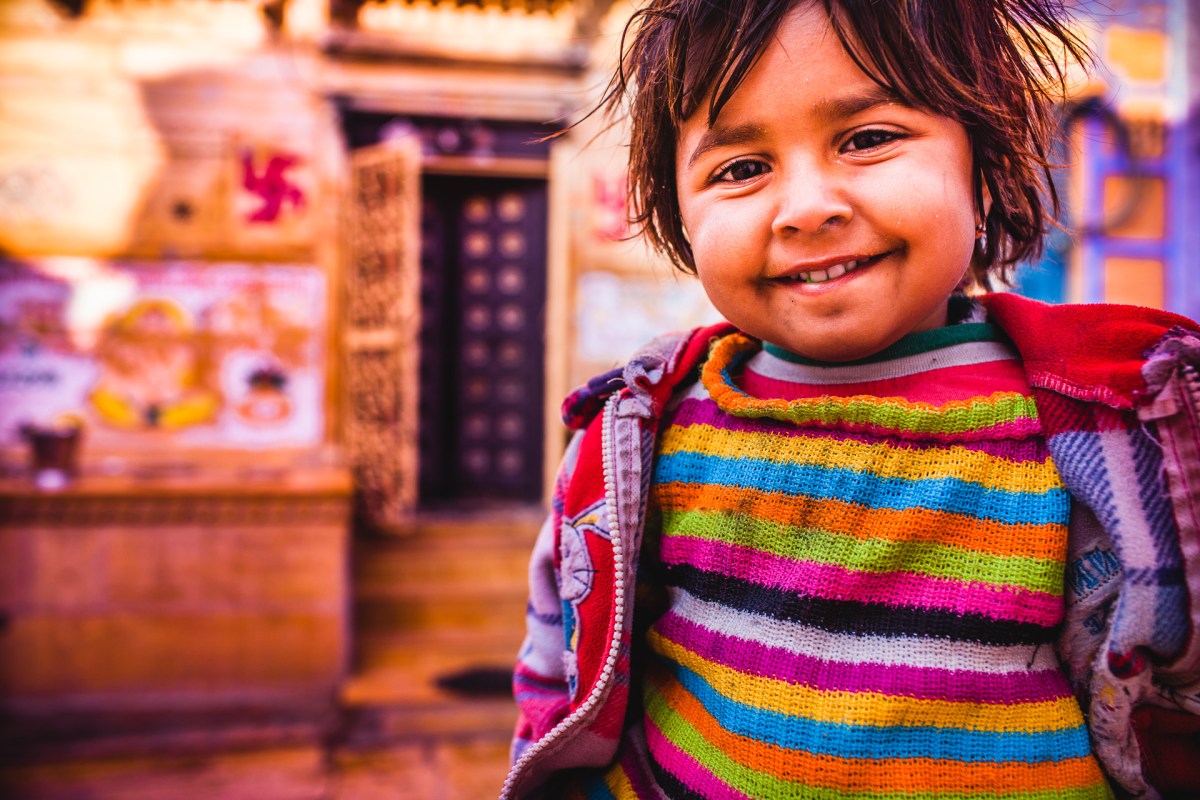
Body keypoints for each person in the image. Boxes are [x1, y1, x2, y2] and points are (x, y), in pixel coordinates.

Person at [502, 1, 1200, 797]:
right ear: (679, 217)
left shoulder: (1102, 434)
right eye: (739, 169)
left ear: (983, 163)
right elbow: (557, 663)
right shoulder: (638, 441)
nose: (807, 208)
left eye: (868, 139)